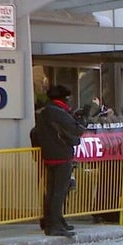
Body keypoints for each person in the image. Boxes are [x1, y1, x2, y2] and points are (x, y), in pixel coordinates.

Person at [33, 85, 84, 237]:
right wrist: (83, 118)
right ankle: (55, 224)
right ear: (64, 98)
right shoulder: (58, 112)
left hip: (49, 155)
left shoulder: (43, 112)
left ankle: (51, 221)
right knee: (59, 192)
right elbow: (77, 130)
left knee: (51, 191)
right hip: (61, 155)